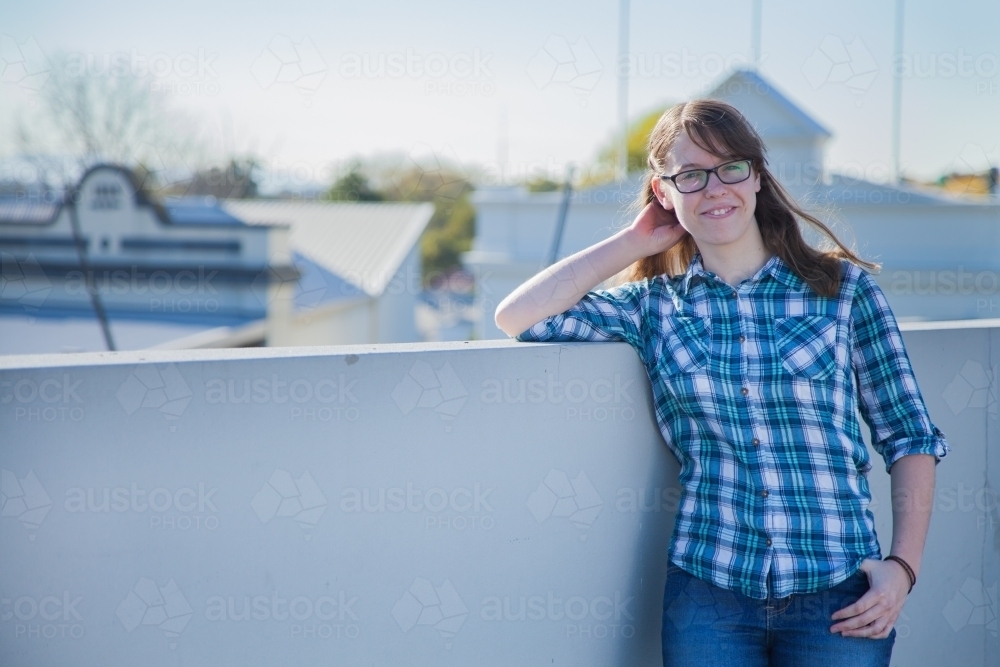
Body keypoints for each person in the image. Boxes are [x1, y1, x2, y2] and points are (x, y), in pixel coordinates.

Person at [494, 100, 948, 667]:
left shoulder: (842, 290)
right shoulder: (654, 308)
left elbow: (910, 437)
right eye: (690, 175)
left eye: (732, 167)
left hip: (838, 590)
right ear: (664, 192)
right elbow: (519, 317)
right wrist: (633, 243)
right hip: (708, 593)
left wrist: (903, 570)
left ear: (757, 176)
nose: (715, 188)